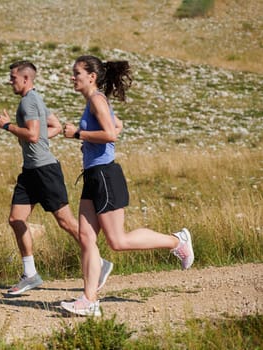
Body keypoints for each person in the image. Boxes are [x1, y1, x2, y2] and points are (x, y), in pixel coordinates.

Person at [60, 55, 194, 316]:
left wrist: (78, 134)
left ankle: (176, 241)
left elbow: (110, 134)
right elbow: (116, 126)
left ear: (91, 76)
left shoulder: (97, 99)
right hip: (92, 175)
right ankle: (89, 301)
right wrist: (88, 142)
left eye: (76, 73)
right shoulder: (94, 101)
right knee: (87, 237)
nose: (72, 77)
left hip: (105, 176)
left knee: (117, 241)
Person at [0, 60, 114, 296]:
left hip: (45, 170)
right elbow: (56, 126)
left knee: (66, 222)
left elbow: (31, 134)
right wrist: (41, 139)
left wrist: (7, 126)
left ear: (26, 79)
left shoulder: (30, 102)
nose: (10, 81)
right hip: (30, 170)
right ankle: (30, 273)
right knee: (15, 219)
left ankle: (98, 262)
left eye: (13, 78)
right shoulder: (34, 99)